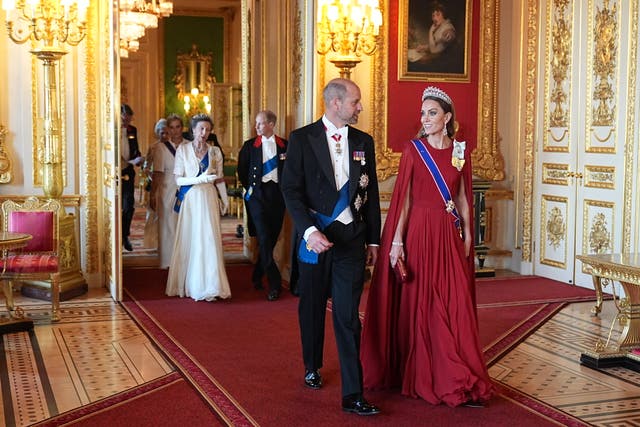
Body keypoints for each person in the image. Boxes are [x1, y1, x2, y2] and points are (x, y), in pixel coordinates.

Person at [360, 86, 494, 407]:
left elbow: (461, 195)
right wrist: (396, 241)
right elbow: (404, 198)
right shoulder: (414, 150)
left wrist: (469, 236)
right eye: (423, 113)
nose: (426, 118)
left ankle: (458, 370)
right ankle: (430, 374)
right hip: (419, 230)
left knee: (454, 301)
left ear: (447, 117)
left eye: (432, 113)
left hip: (448, 232)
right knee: (425, 303)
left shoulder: (460, 150)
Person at [281, 78, 381, 416]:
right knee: (311, 307)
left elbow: (372, 196)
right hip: (315, 241)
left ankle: (353, 393)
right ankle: (312, 365)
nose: (360, 108)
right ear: (335, 103)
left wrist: (373, 240)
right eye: (356, 102)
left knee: (348, 316)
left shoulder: (364, 142)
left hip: (351, 242)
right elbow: (291, 191)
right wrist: (308, 231)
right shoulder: (301, 139)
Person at [166, 114, 231, 301]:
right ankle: (193, 284)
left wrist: (224, 199)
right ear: (193, 130)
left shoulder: (214, 152)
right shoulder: (183, 150)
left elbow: (218, 178)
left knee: (209, 239)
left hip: (209, 198)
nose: (204, 133)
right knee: (193, 238)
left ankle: (211, 284)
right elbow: (178, 179)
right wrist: (199, 179)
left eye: (208, 130)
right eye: (201, 129)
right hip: (191, 199)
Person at [238, 110, 288, 301]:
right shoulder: (250, 146)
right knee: (265, 238)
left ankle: (257, 274)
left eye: (260, 123)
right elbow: (242, 171)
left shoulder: (285, 145)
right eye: (256, 123)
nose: (256, 127)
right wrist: (252, 189)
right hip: (258, 197)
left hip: (278, 196)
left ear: (271, 124)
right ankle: (275, 284)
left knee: (271, 239)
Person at [148, 115, 184, 268]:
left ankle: (183, 260)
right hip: (167, 189)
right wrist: (152, 194)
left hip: (184, 189)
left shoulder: (189, 146)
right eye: (172, 127)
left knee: (183, 225)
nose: (175, 131)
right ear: (167, 129)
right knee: (167, 226)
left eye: (178, 127)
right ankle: (168, 262)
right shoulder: (160, 148)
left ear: (182, 128)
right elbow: (157, 173)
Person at [121, 104, 144, 252]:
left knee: (129, 206)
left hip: (128, 171)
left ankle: (125, 236)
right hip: (113, 172)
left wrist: (139, 158)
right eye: (124, 120)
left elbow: (135, 149)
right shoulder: (110, 129)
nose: (127, 123)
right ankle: (115, 236)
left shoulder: (132, 130)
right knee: (115, 207)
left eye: (129, 120)